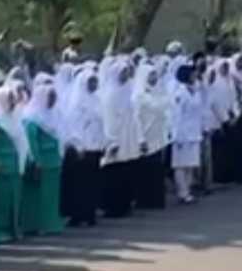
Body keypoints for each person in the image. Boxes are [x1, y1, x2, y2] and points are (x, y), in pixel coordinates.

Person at [62, 67, 106, 226]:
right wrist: (79, 145)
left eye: (95, 81)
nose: (94, 84)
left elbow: (101, 123)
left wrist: (103, 143)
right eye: (91, 81)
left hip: (94, 147)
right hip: (81, 149)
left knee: (92, 183)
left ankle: (90, 213)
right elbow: (73, 127)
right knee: (79, 185)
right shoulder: (76, 103)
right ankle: (77, 215)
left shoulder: (97, 100)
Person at [21, 82, 65, 236]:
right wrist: (36, 160)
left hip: (54, 160)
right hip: (42, 161)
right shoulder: (31, 119)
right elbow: (32, 143)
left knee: (52, 196)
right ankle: (39, 224)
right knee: (40, 196)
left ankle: (52, 222)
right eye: (49, 97)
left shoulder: (53, 115)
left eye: (54, 97)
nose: (52, 100)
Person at [100, 58, 142, 218]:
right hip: (115, 139)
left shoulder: (128, 91)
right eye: (122, 73)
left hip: (128, 139)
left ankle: (125, 205)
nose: (125, 75)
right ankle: (112, 207)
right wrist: (112, 141)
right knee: (113, 175)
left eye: (126, 72)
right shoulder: (110, 94)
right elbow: (109, 120)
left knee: (126, 173)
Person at [0, 87, 26, 243]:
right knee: (1, 201)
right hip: (2, 166)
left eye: (13, 99)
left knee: (14, 199)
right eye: (9, 99)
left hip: (14, 164)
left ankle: (13, 229)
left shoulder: (15, 119)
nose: (12, 103)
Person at [134, 65, 170, 209]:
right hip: (145, 136)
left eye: (155, 75)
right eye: (151, 75)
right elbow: (136, 119)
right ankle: (144, 200)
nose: (154, 78)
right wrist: (140, 139)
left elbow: (166, 107)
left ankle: (156, 200)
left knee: (157, 169)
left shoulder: (158, 91)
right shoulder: (139, 95)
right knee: (146, 170)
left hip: (158, 136)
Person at [171, 64, 205, 203]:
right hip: (182, 133)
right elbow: (176, 115)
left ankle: (188, 190)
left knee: (191, 164)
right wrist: (176, 135)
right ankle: (182, 192)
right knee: (180, 165)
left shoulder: (196, 91)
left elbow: (199, 112)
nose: (195, 75)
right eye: (192, 74)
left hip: (194, 132)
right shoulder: (179, 92)